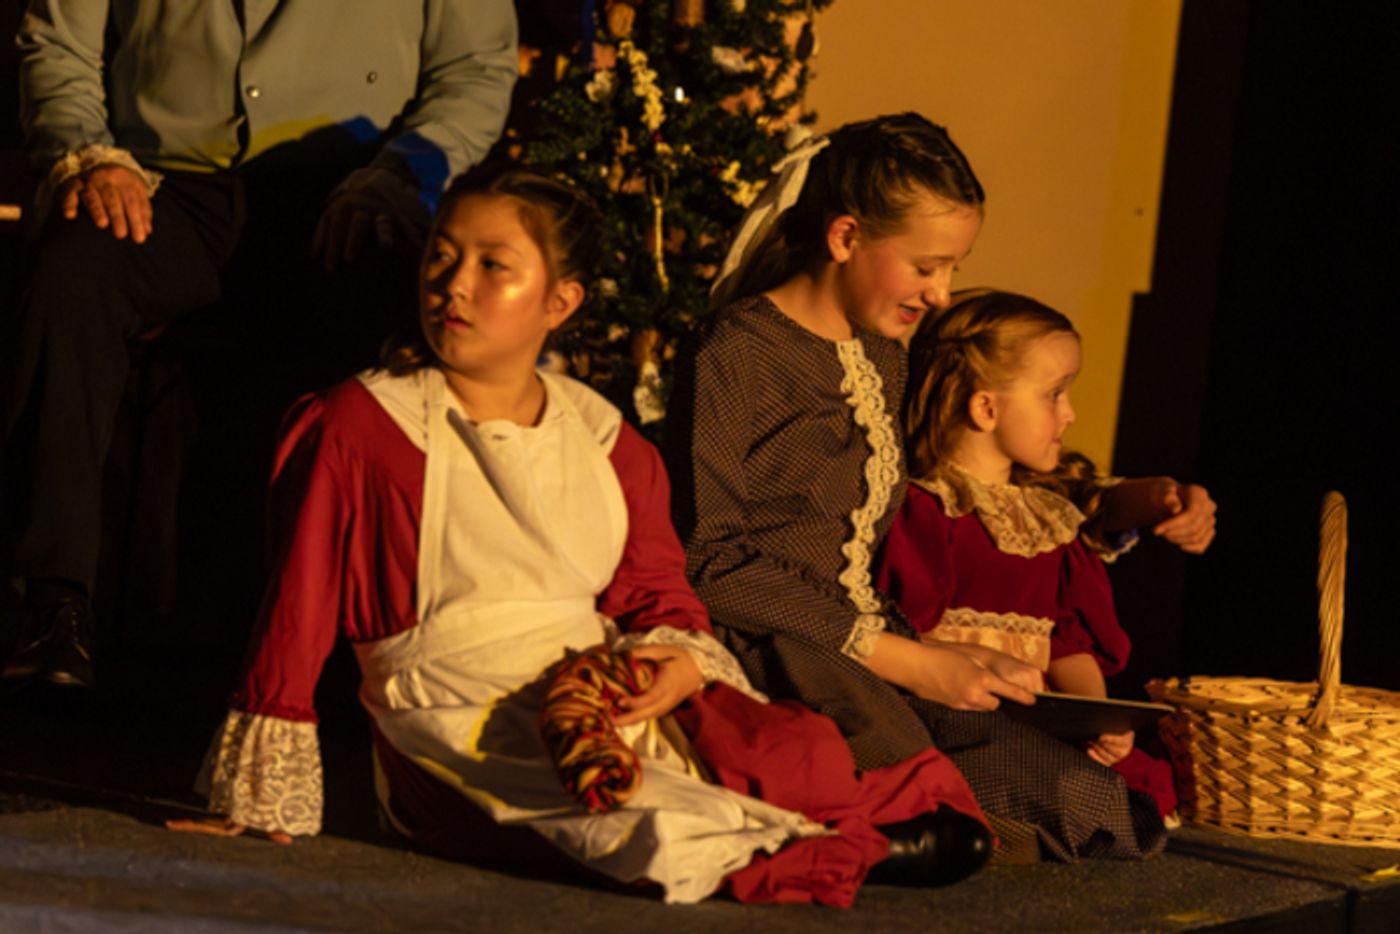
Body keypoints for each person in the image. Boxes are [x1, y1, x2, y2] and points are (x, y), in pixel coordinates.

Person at [167, 166, 998, 905]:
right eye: (442, 258)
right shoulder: (362, 425)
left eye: (493, 267)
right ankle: (826, 851)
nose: (453, 287)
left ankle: (826, 835)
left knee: (794, 748)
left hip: (597, 683)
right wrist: (255, 794)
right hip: (457, 713)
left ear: (560, 301)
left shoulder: (603, 437)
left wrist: (675, 660)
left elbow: (655, 591)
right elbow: (299, 605)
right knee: (639, 824)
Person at [668, 113, 1215, 861]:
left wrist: (1126, 504)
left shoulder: (883, 356)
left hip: (883, 640)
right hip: (784, 641)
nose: (941, 293)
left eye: (953, 267)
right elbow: (714, 560)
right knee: (934, 824)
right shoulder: (738, 351)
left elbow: (975, 472)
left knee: (1113, 819)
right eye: (926, 266)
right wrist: (908, 660)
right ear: (845, 238)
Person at [1, 0, 519, 689]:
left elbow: (475, 69)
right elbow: (59, 42)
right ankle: (50, 605)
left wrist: (401, 174)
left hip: (347, 187)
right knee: (71, 275)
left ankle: (364, 629)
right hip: (157, 184)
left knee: (394, 299)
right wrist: (87, 154)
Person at [880, 289, 1200, 819]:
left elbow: (1069, 642)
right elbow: (907, 632)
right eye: (1054, 394)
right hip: (953, 714)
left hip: (1040, 725)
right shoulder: (929, 510)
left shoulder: (1051, 521)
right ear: (986, 407)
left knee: (1140, 781)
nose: (1070, 414)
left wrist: (1098, 721)